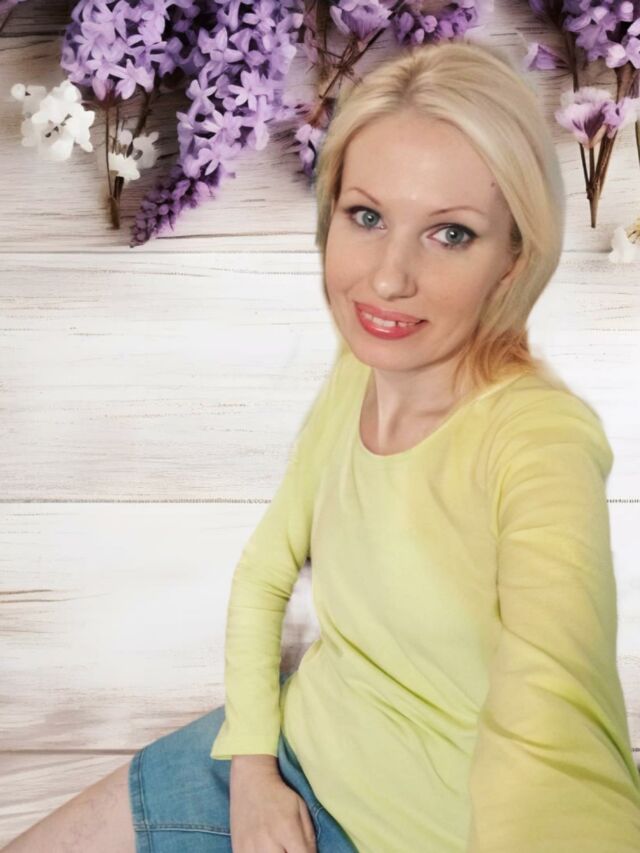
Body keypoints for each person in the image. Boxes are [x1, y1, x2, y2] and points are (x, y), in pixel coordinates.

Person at [5, 38, 640, 853]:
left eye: (450, 233)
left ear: (515, 258)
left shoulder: (539, 441)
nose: (388, 278)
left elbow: (553, 728)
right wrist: (252, 765)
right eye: (366, 217)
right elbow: (265, 570)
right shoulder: (363, 368)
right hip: (282, 755)